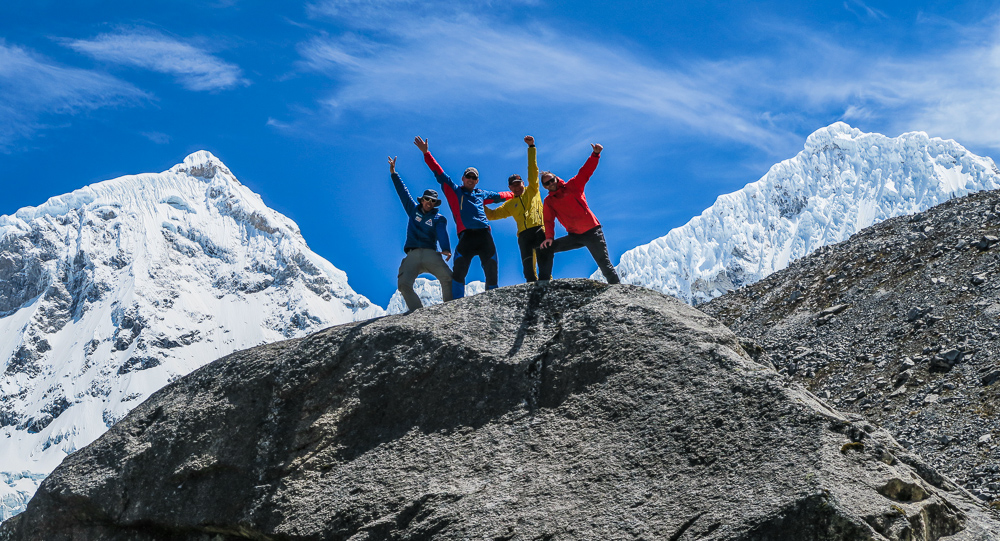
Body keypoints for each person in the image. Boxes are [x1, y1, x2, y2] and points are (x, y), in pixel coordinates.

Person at [413, 136, 513, 300]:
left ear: (477, 181)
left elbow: (500, 196)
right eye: (468, 176)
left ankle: (493, 301)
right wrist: (426, 153)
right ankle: (456, 305)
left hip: (484, 235)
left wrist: (515, 194)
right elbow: (439, 173)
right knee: (459, 270)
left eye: (474, 178)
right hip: (466, 236)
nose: (471, 179)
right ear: (463, 178)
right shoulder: (455, 191)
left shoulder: (480, 193)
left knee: (491, 268)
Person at [538, 143, 621, 284]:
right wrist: (549, 238)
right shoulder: (549, 201)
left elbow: (585, 172)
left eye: (551, 180)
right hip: (574, 236)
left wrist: (595, 155)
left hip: (592, 232)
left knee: (605, 265)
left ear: (556, 178)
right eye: (546, 183)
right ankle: (543, 284)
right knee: (545, 249)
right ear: (544, 186)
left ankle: (619, 292)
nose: (550, 184)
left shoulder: (573, 185)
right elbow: (548, 221)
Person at [388, 155, 453, 312]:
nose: (429, 203)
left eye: (432, 201)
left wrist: (446, 248)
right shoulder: (412, 210)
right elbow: (403, 192)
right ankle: (417, 312)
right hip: (413, 254)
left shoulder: (439, 218)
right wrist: (394, 173)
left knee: (449, 279)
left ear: (435, 204)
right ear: (422, 200)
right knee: (403, 284)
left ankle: (451, 309)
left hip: (431, 253)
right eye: (427, 199)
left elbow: (442, 232)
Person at [485, 135, 552, 282]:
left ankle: (550, 297)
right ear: (509, 187)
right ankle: (533, 301)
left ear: (523, 183)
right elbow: (493, 215)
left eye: (518, 183)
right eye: (513, 185)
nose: (516, 187)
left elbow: (533, 170)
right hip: (523, 236)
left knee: (545, 268)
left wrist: (531, 147)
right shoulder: (510, 204)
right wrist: (479, 204)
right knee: (528, 272)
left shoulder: (532, 190)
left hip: (539, 230)